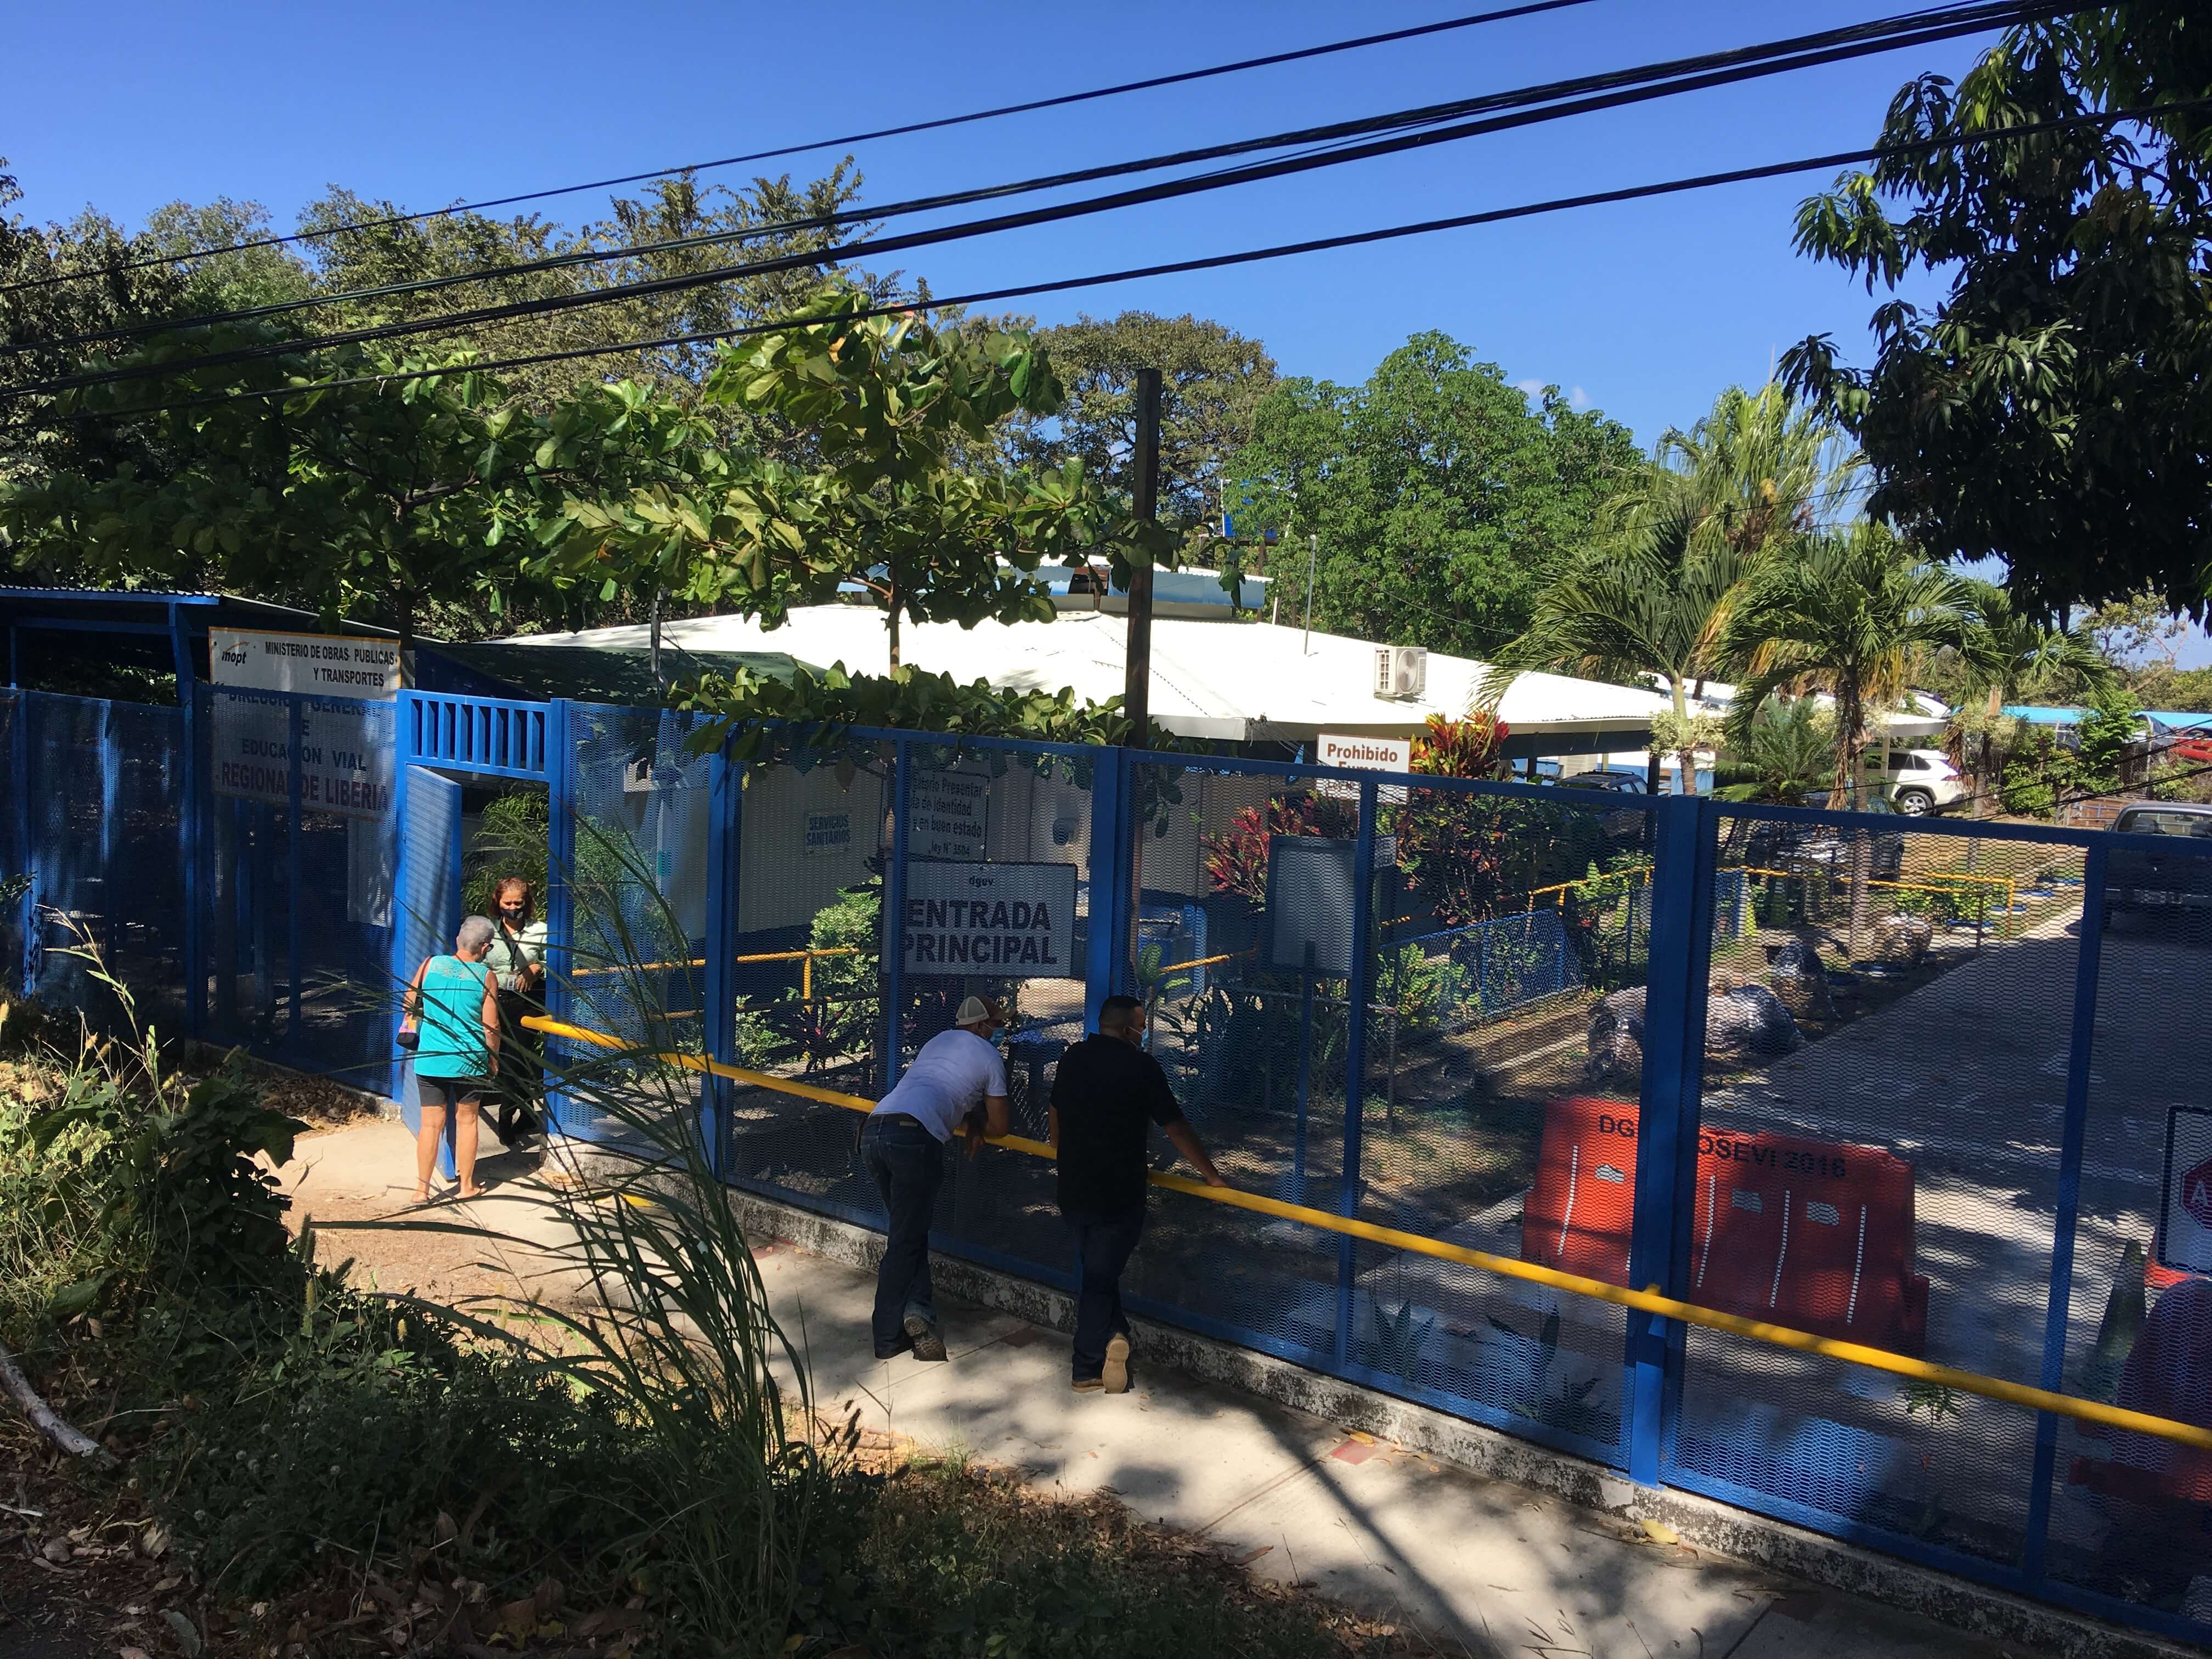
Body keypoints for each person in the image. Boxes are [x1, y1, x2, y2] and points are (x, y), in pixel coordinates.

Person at [1049, 994, 1224, 1395]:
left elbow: (1055, 1109)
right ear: (1127, 1027)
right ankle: (1087, 1367)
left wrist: (1058, 1145)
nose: (1143, 1031)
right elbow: (1175, 1126)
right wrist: (1211, 1176)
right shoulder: (1141, 1066)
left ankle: (1117, 1335)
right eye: (1141, 1025)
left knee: (1097, 1270)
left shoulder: (1073, 1058)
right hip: (1119, 1194)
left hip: (1073, 1188)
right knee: (1098, 1277)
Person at [861, 996, 1009, 1362]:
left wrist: (970, 1119)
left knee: (909, 1233)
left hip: (875, 1131)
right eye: (997, 1024)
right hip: (914, 1138)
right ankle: (887, 1336)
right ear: (979, 1027)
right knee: (904, 1242)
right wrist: (978, 1124)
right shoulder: (989, 1057)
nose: (1001, 1031)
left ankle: (918, 1312)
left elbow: (939, 1093)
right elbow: (1001, 1127)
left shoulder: (937, 1041)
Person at [397, 915, 501, 1206]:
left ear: (459, 939)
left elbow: (409, 1002)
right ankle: (466, 1185)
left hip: (431, 1058)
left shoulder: (430, 964)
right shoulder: (486, 977)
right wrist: (494, 1059)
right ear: (485, 947)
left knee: (431, 1125)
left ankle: (422, 1190)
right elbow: (491, 1026)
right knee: (467, 1121)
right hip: (470, 1061)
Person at [483, 876, 548, 1148]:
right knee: (509, 1059)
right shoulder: (488, 931)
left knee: (518, 1059)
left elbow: (556, 960)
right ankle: (525, 1113)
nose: (513, 908)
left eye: (518, 903)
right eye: (507, 902)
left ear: (527, 903)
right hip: (497, 1000)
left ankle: (507, 1118)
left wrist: (537, 968)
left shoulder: (541, 930)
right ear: (498, 902)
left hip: (528, 1001)